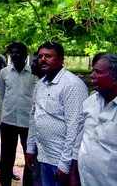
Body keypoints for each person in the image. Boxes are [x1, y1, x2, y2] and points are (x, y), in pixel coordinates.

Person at [26, 42, 88, 186]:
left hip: (59, 161)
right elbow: (34, 117)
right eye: (40, 56)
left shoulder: (72, 85)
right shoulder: (41, 84)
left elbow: (75, 127)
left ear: (61, 60)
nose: (42, 59)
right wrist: (30, 148)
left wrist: (65, 164)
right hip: (41, 156)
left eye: (48, 56)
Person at [0, 42, 36, 186]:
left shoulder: (34, 73)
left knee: (30, 157)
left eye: (19, 52)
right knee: (7, 157)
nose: (15, 55)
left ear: (26, 56)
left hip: (28, 122)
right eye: (12, 52)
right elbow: (3, 95)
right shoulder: (4, 72)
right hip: (8, 121)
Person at [77, 54, 117, 186]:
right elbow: (81, 138)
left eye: (98, 72)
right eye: (92, 71)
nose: (92, 75)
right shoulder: (90, 101)